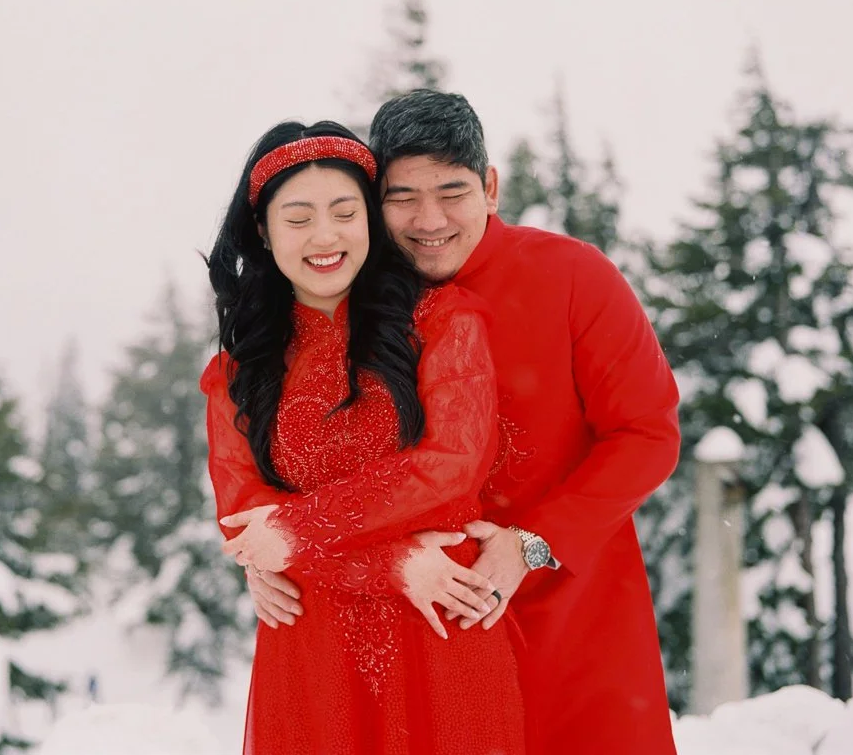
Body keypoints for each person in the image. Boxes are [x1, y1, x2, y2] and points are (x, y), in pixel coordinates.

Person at [246, 91, 682, 755]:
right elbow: (302, 457)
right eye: (402, 196)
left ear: (491, 186)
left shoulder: (573, 276)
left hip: (568, 614)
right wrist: (281, 547)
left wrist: (532, 540)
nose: (430, 220)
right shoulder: (353, 305)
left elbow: (648, 432)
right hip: (423, 637)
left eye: (452, 192)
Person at [202, 120, 528, 755]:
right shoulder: (237, 372)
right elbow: (246, 521)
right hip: (312, 648)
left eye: (344, 212)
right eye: (298, 219)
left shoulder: (442, 322)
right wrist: (394, 564)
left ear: (370, 223)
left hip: (442, 632)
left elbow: (451, 467)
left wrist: (298, 531)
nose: (325, 237)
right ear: (264, 234)